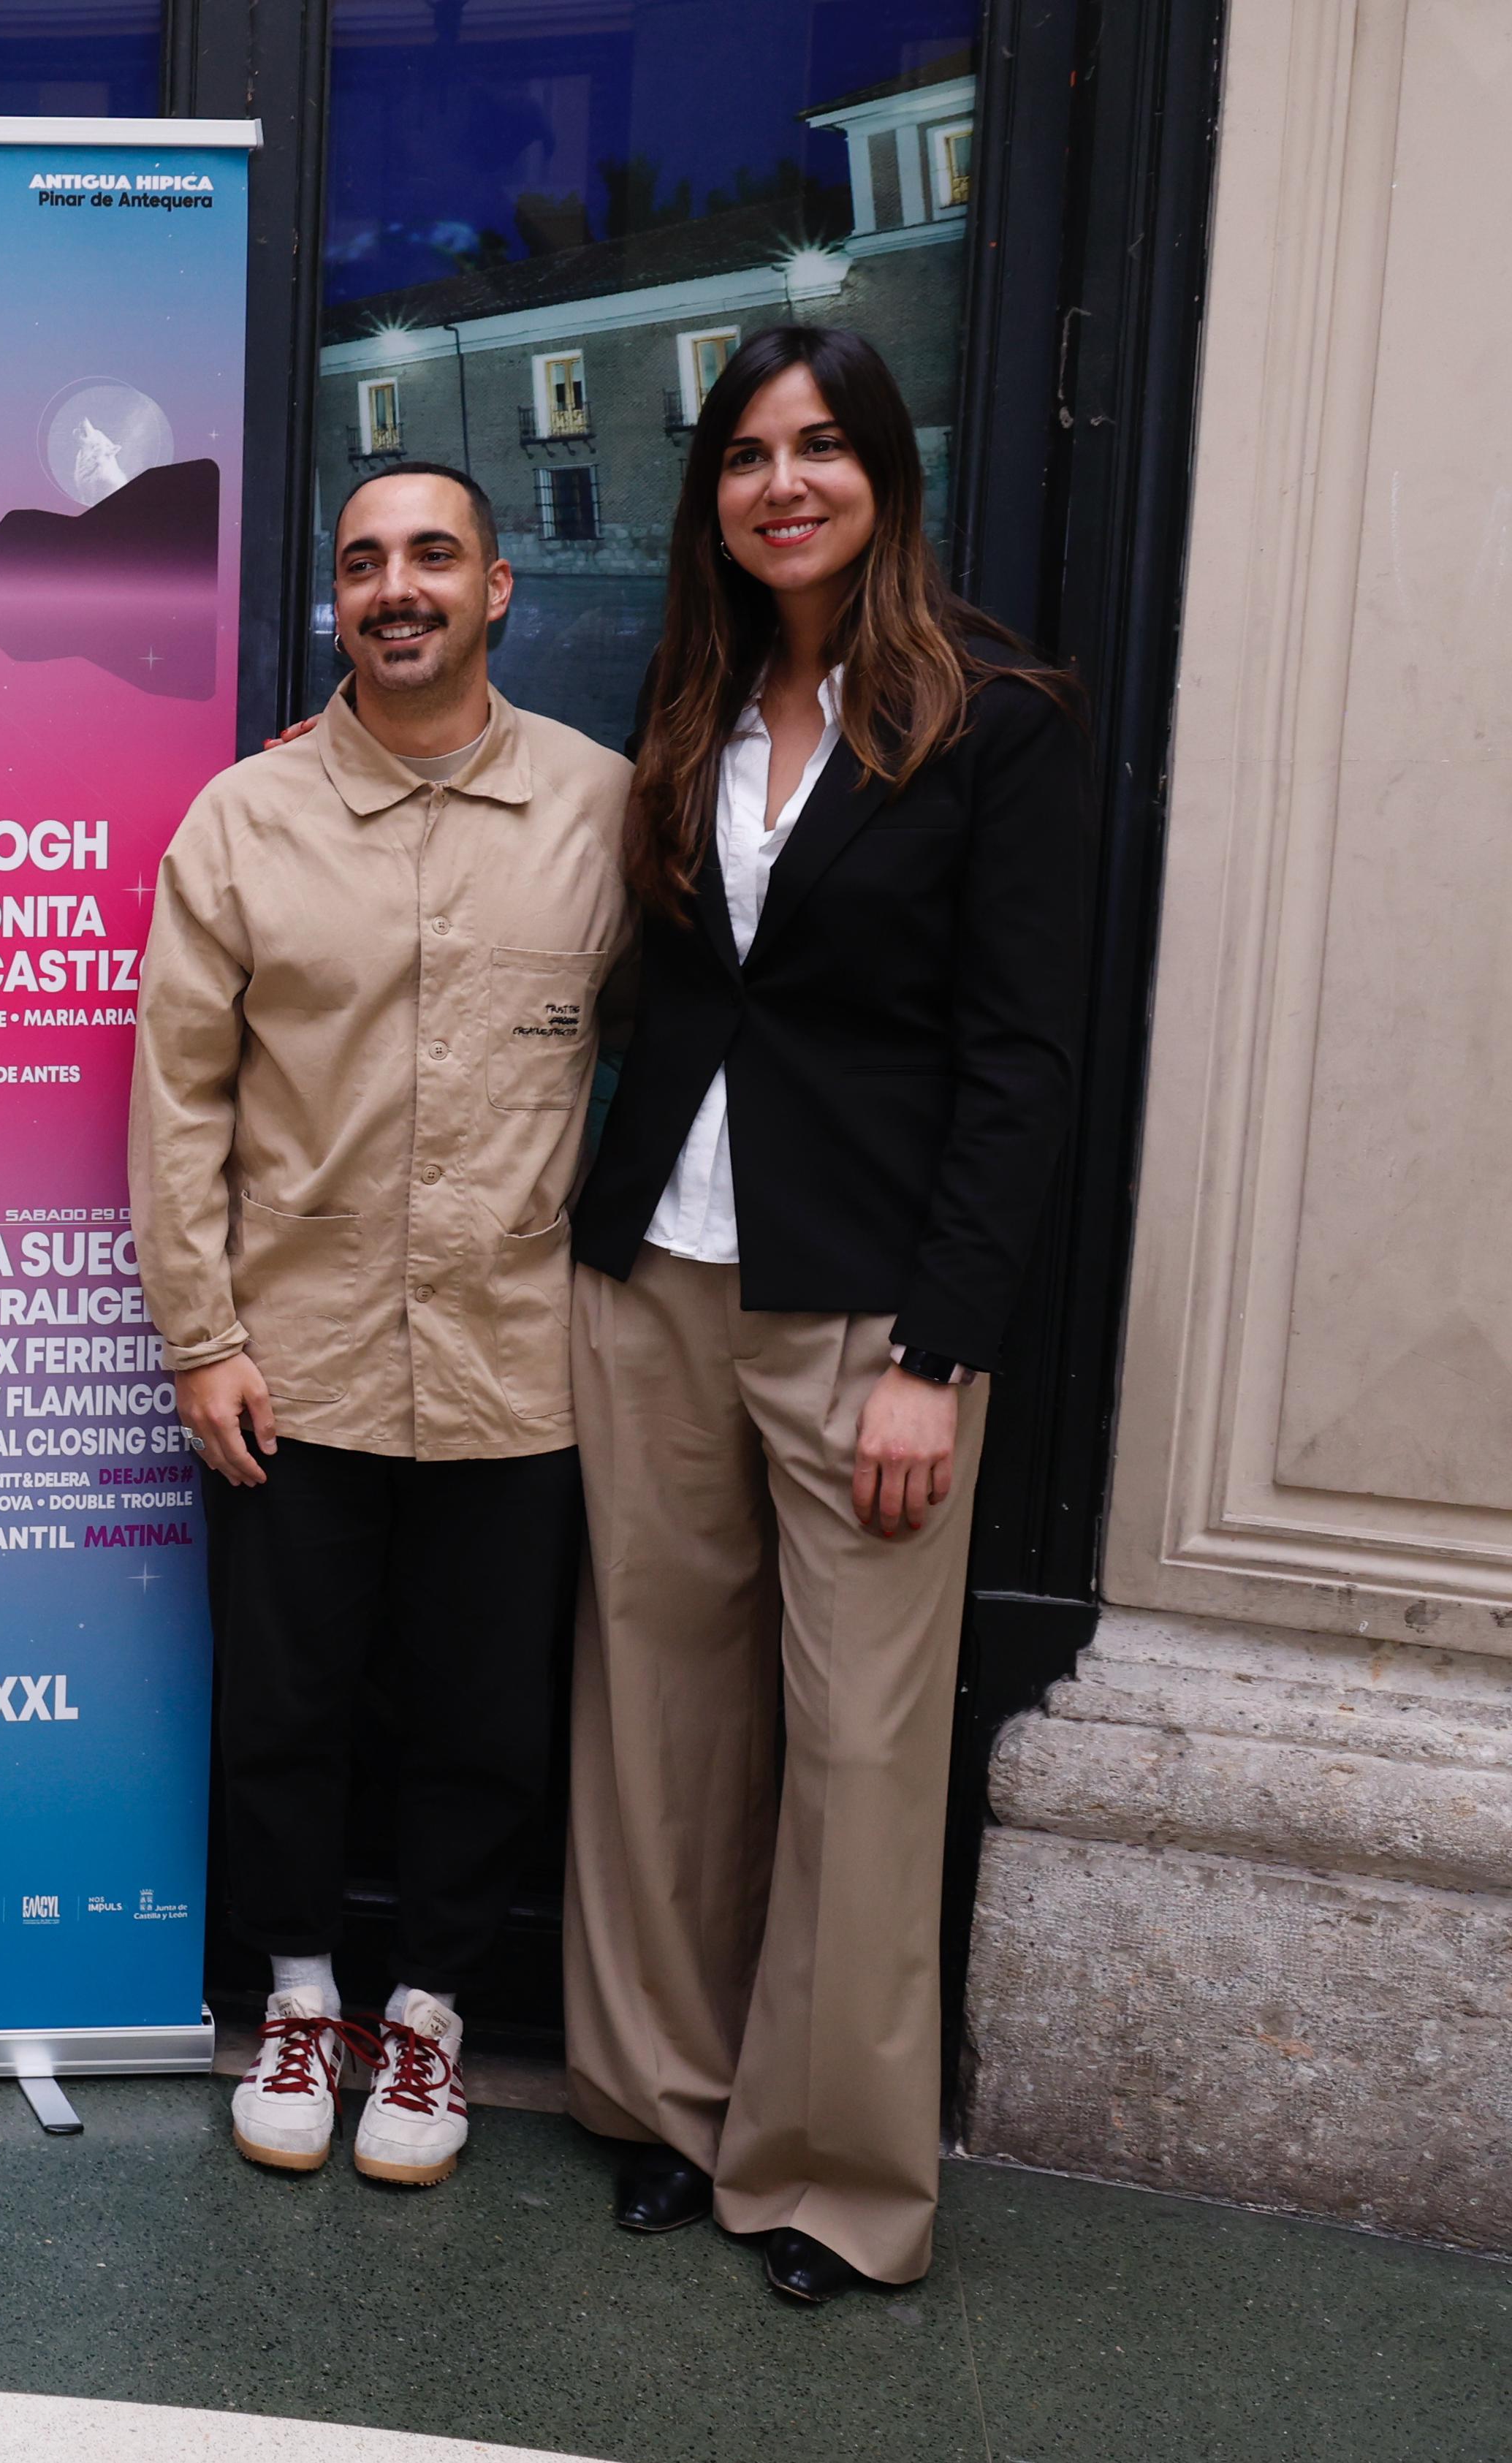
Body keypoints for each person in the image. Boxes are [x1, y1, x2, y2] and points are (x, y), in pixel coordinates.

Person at [560, 325, 1085, 2304]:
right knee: (658, 1716)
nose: (783, 484)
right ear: (712, 496)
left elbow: (1021, 1066)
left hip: (867, 1312)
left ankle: (836, 2177)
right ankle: (665, 2104)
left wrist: (941, 1354)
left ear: (886, 473)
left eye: (821, 447)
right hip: (655, 1276)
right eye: (747, 454)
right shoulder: (690, 703)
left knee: (859, 1745)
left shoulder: (998, 721)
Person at [132, 462, 633, 2190]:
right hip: (296, 1356)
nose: (395, 586)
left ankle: (426, 2017)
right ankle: (297, 1998)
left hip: (520, 1359)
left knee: (481, 1720)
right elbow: (178, 1101)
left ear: (498, 587)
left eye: (432, 556)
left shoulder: (602, 811)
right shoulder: (243, 820)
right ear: (335, 603)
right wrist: (200, 1336)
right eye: (364, 563)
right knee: (287, 1706)